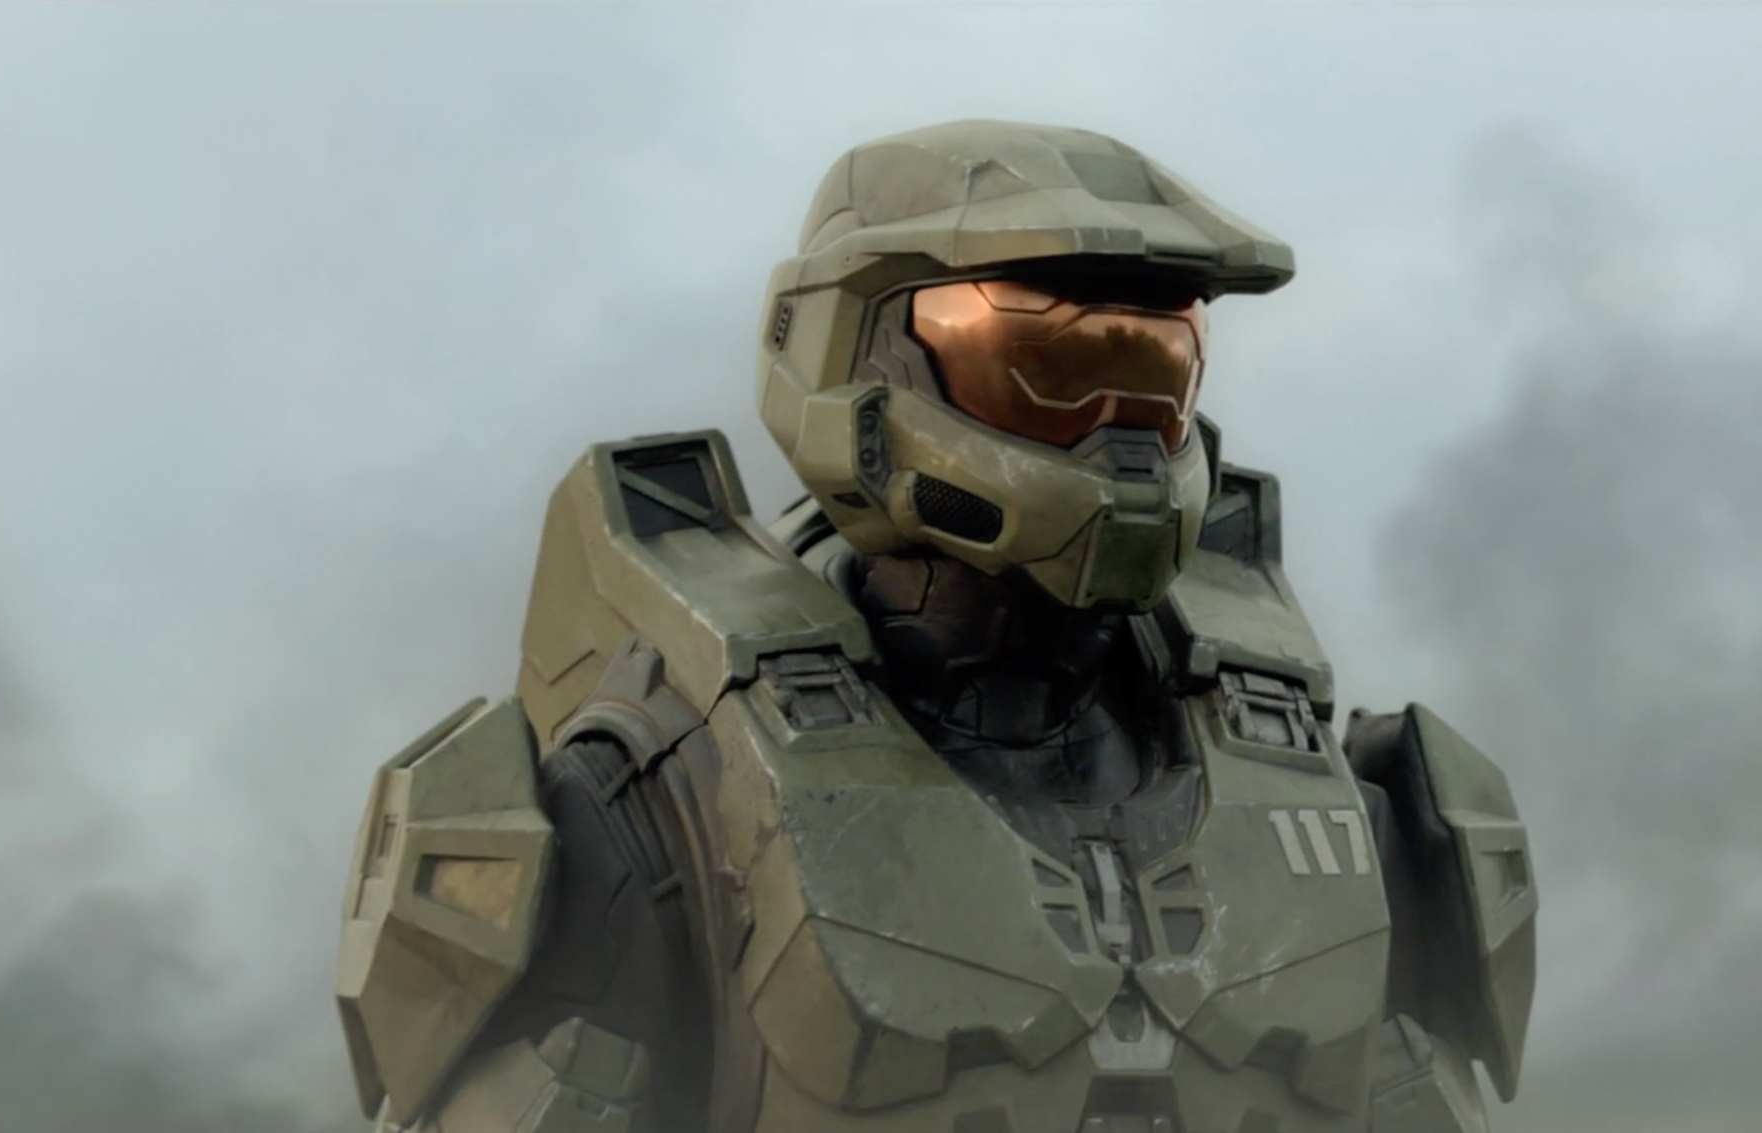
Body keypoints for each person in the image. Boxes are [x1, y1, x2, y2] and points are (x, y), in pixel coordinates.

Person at [335, 120, 1536, 1133]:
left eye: (1153, 370)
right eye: (1046, 363)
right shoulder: (646, 812)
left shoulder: (1356, 813)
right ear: (848, 357)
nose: (1115, 436)